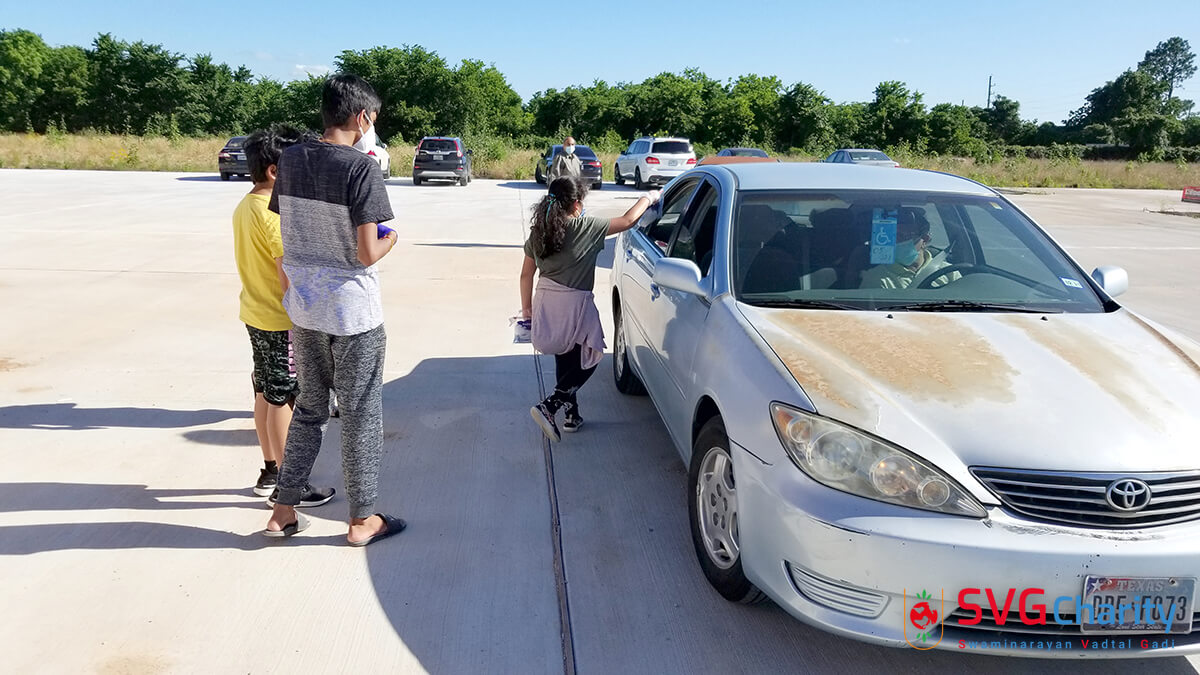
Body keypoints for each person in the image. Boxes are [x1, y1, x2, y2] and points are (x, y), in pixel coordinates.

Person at [264, 74, 405, 546]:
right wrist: (392, 239)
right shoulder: (361, 168)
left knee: (309, 408)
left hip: (305, 308)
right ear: (362, 117)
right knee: (361, 413)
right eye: (373, 119)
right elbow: (366, 252)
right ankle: (362, 520)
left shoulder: (291, 159)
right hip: (351, 313)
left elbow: (292, 229)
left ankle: (283, 511)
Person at [520, 176, 661, 441]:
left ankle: (571, 415)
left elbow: (526, 274)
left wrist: (526, 309)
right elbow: (628, 220)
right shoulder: (586, 227)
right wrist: (649, 197)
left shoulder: (540, 231)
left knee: (565, 356)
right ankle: (551, 405)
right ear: (576, 203)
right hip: (575, 303)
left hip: (546, 300)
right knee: (592, 356)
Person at [233, 125, 312, 499]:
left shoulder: (245, 206)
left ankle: (270, 470)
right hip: (281, 321)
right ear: (274, 172)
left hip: (255, 314)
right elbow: (286, 278)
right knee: (283, 398)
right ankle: (289, 484)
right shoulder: (274, 215)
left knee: (265, 390)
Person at [859, 208, 958, 289]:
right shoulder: (877, 278)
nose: (896, 242)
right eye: (892, 236)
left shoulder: (949, 272)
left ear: (925, 239)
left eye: (904, 236)